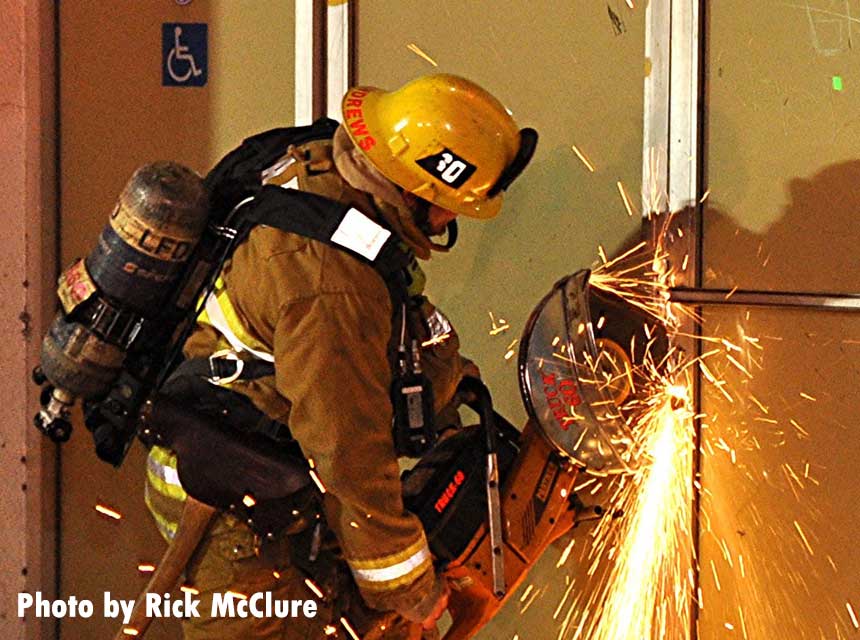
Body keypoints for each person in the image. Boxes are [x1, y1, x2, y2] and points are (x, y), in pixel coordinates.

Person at [142, 73, 536, 639]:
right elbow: (346, 445)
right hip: (229, 504)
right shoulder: (330, 280)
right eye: (450, 207)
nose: (451, 223)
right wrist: (410, 589)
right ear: (416, 187)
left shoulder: (324, 168)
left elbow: (381, 346)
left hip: (257, 467)